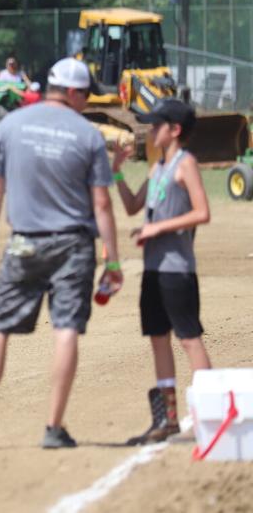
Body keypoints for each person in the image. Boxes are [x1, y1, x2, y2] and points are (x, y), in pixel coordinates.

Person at [0, 57, 121, 450]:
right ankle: (53, 428)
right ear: (75, 93)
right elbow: (102, 204)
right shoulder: (88, 135)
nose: (85, 103)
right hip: (73, 244)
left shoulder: (11, 124)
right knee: (66, 329)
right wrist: (112, 259)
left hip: (25, 241)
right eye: (85, 95)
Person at [112, 98, 212, 445]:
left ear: (175, 130)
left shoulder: (186, 165)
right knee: (158, 338)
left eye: (156, 125)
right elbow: (131, 207)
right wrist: (117, 171)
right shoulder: (157, 169)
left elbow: (202, 212)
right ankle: (167, 420)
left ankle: (210, 417)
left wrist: (158, 228)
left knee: (188, 338)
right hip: (154, 269)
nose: (151, 130)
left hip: (177, 269)